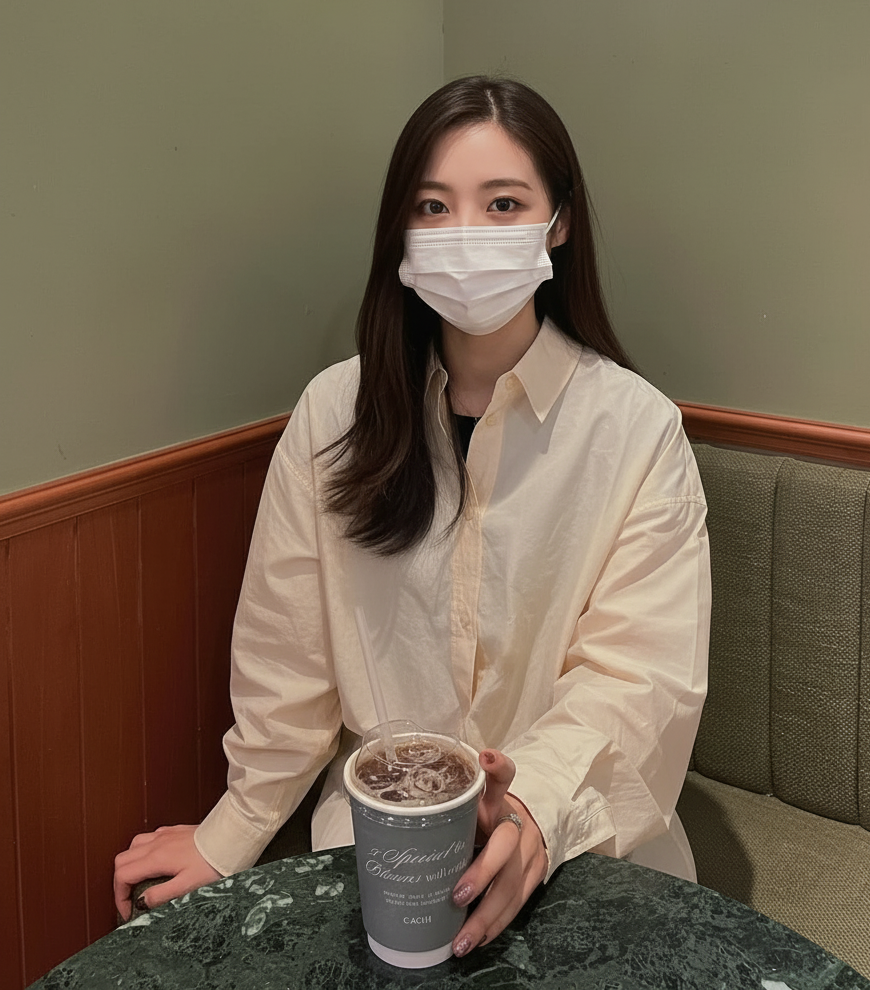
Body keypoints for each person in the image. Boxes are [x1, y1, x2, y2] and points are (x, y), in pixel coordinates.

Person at [113, 75, 710, 958]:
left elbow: (640, 679)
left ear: (559, 222)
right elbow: (287, 653)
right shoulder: (333, 414)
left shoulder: (638, 430)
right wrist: (231, 829)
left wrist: (535, 805)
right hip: (379, 842)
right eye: (433, 206)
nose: (465, 233)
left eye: (503, 204)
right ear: (400, 229)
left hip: (579, 840)